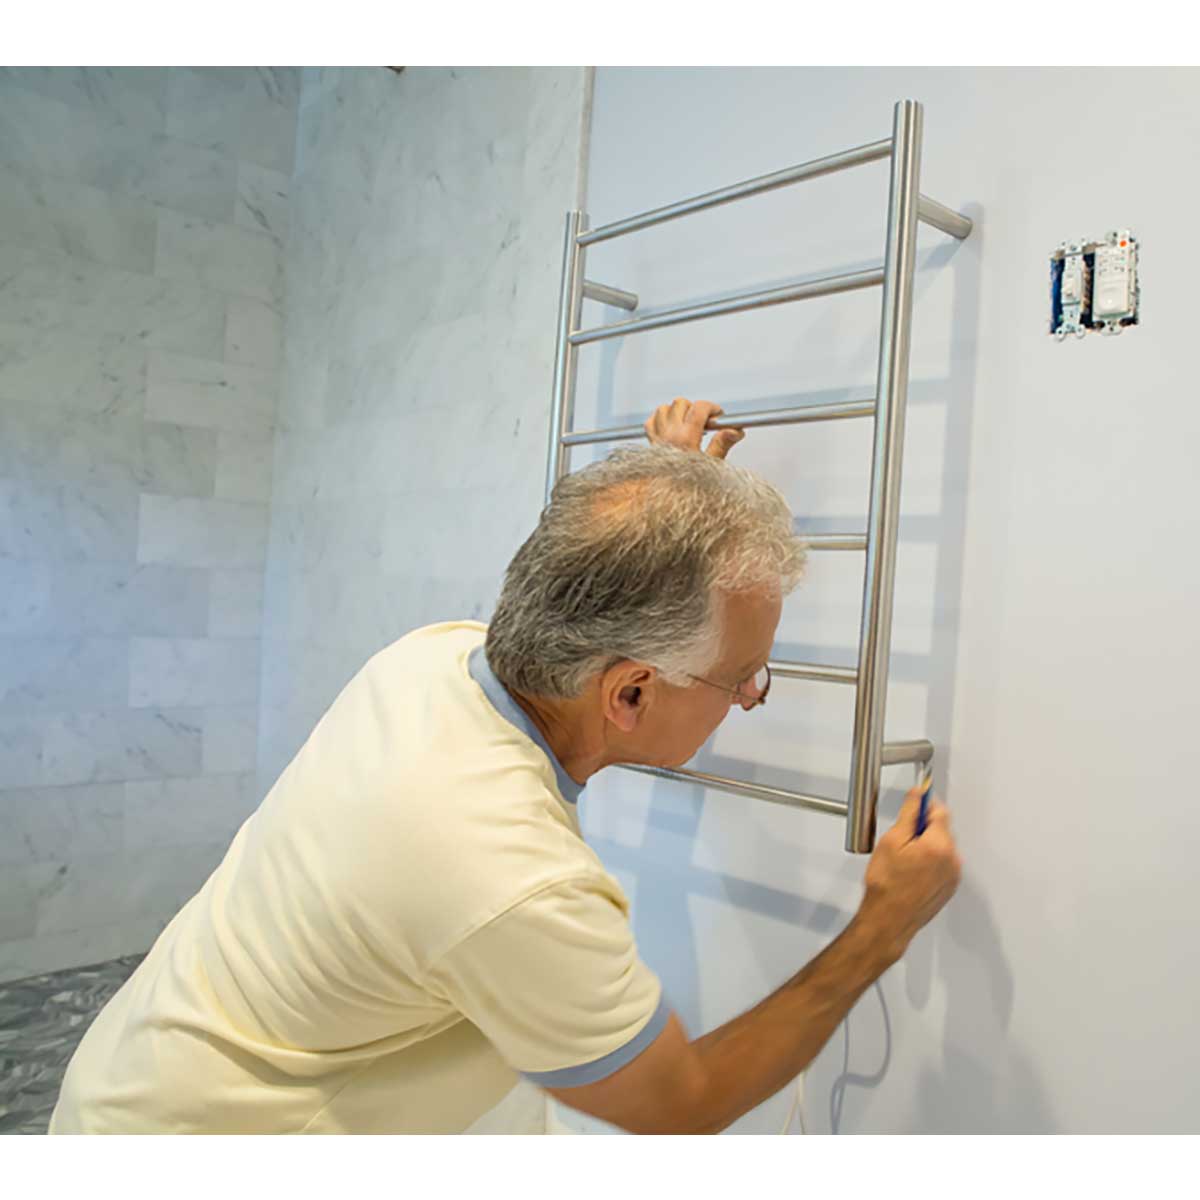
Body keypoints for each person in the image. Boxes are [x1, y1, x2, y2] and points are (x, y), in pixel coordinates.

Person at [50, 398, 961, 1135]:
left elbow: (587, 580)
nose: (749, 698)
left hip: (142, 1072)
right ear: (632, 694)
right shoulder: (515, 884)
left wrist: (683, 501)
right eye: (741, 678)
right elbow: (679, 1102)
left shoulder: (436, 659)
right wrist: (882, 925)